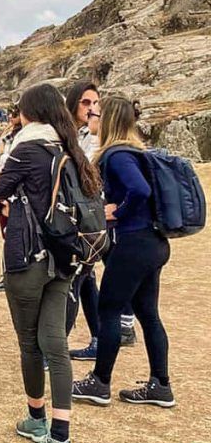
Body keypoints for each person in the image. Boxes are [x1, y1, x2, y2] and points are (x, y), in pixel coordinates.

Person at [0, 82, 100, 443]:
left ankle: (37, 420)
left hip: (29, 257)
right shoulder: (71, 149)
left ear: (30, 112)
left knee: (29, 344)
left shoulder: (27, 148)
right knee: (56, 343)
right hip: (66, 258)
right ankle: (60, 437)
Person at [72, 97, 175, 408]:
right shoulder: (136, 151)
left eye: (95, 114)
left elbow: (139, 190)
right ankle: (161, 384)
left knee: (109, 309)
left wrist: (118, 212)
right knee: (147, 313)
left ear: (110, 120)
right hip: (153, 242)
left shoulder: (116, 155)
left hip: (133, 242)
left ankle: (100, 381)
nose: (91, 117)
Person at [62, 80, 124, 358]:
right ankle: (99, 337)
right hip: (77, 215)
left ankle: (56, 348)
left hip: (88, 218)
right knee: (85, 280)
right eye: (85, 103)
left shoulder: (97, 137)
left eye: (95, 103)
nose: (91, 109)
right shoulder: (71, 134)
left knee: (75, 279)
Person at [0, 104, 22, 291]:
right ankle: (6, 273)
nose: (10, 116)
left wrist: (2, 158)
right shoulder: (3, 138)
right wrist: (3, 159)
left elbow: (16, 162)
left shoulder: (24, 138)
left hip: (18, 191)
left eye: (14, 113)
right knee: (6, 233)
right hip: (5, 191)